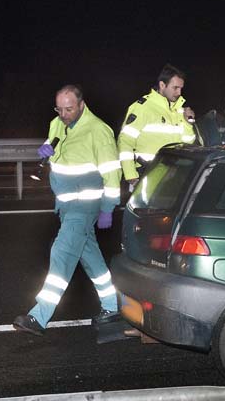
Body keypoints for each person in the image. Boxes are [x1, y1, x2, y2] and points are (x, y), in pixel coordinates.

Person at [13, 85, 122, 336]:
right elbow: (56, 148)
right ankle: (111, 306)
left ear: (81, 104)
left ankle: (39, 316)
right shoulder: (57, 123)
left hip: (84, 206)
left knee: (61, 252)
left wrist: (107, 209)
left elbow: (112, 175)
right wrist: (46, 150)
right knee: (90, 256)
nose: (64, 114)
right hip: (65, 205)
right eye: (59, 109)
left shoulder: (98, 131)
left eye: (69, 109)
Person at [117, 64, 196, 188]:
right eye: (175, 88)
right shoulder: (142, 108)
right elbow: (125, 141)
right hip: (147, 174)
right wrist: (131, 175)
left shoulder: (179, 111)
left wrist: (187, 123)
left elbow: (188, 143)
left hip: (174, 175)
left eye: (181, 88)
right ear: (162, 85)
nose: (179, 92)